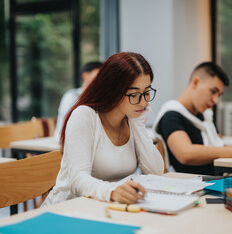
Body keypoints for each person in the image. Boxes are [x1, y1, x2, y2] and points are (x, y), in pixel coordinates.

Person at [42, 52, 164, 206]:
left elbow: (156, 172)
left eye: (146, 92)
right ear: (112, 90)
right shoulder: (85, 115)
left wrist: (138, 124)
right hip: (68, 208)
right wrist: (112, 192)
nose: (144, 102)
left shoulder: (130, 118)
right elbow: (77, 180)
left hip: (106, 207)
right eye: (134, 94)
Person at [152, 62, 232, 175]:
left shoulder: (205, 116)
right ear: (196, 82)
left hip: (218, 177)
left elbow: (219, 147)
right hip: (193, 184)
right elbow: (185, 154)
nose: (215, 100)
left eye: (218, 95)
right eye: (213, 91)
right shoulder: (171, 115)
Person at [54, 61, 103, 142]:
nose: (101, 79)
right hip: (66, 143)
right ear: (85, 75)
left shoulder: (99, 99)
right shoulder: (72, 96)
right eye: (99, 75)